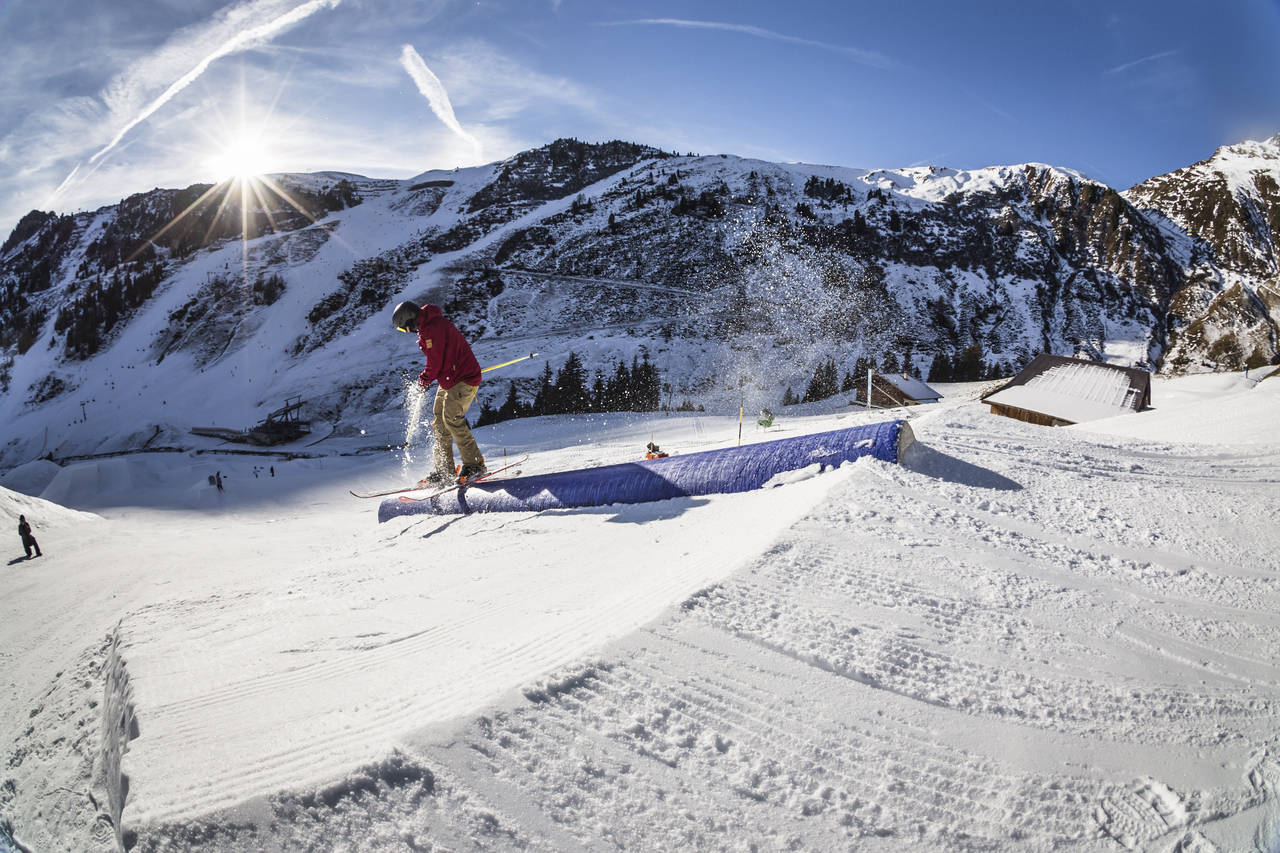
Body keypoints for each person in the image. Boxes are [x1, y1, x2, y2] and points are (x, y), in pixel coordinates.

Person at [393, 300, 486, 485]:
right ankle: (444, 470)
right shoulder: (429, 327)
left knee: (451, 417)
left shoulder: (432, 328)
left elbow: (435, 362)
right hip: (450, 379)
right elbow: (439, 361)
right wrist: (428, 378)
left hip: (463, 378)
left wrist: (424, 379)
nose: (408, 332)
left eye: (405, 329)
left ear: (410, 321)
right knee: (439, 422)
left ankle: (475, 464)